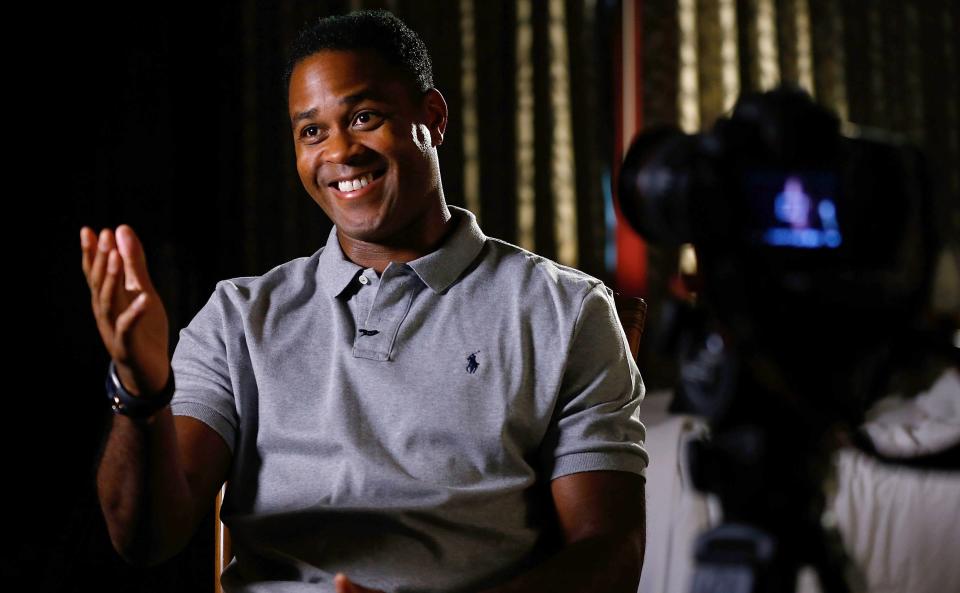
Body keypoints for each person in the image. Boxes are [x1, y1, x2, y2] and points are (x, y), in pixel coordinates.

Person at [81, 10, 648, 593]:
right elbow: (143, 540)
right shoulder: (237, 317)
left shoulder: (567, 311)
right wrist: (141, 391)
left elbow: (609, 552)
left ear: (432, 118)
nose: (341, 152)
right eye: (312, 131)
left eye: (364, 117)